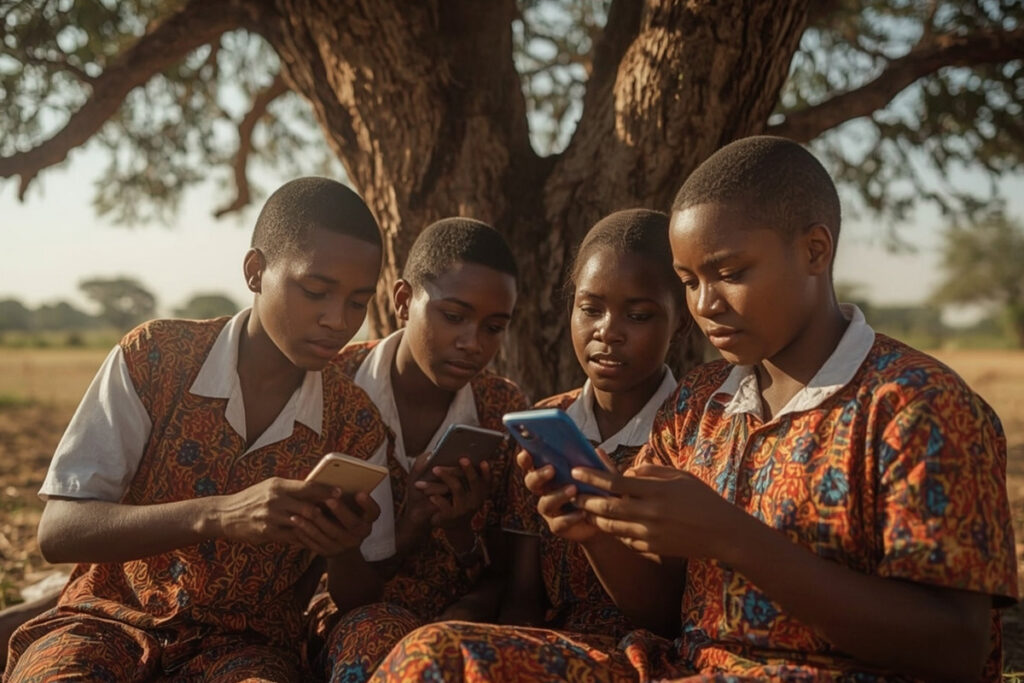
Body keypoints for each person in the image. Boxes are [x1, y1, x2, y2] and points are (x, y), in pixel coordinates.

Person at [370, 136, 1019, 682]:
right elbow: (660, 609)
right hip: (676, 667)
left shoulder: (916, 406)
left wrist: (734, 537)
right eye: (689, 281)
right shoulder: (698, 404)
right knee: (436, 657)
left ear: (815, 251)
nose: (706, 302)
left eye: (730, 272)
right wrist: (592, 525)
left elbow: (959, 648)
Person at [4, 177, 394, 682]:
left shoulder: (355, 422)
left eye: (358, 302)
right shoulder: (155, 358)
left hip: (247, 650)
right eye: (316, 291)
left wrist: (342, 548)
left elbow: (360, 594)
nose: (338, 321)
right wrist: (217, 514)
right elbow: (59, 533)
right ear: (255, 271)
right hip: (104, 623)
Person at [308, 217, 529, 682]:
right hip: (354, 624)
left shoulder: (502, 409)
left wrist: (458, 531)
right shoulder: (329, 388)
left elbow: (506, 571)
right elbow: (320, 579)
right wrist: (407, 525)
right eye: (453, 316)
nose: (472, 343)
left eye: (493, 327)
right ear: (404, 300)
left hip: (460, 622)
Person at [500, 208, 685, 642]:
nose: (608, 332)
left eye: (637, 316)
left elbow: (677, 612)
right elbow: (522, 593)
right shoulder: (545, 424)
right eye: (591, 309)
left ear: (681, 324)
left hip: (649, 653)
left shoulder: (693, 431)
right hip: (550, 647)